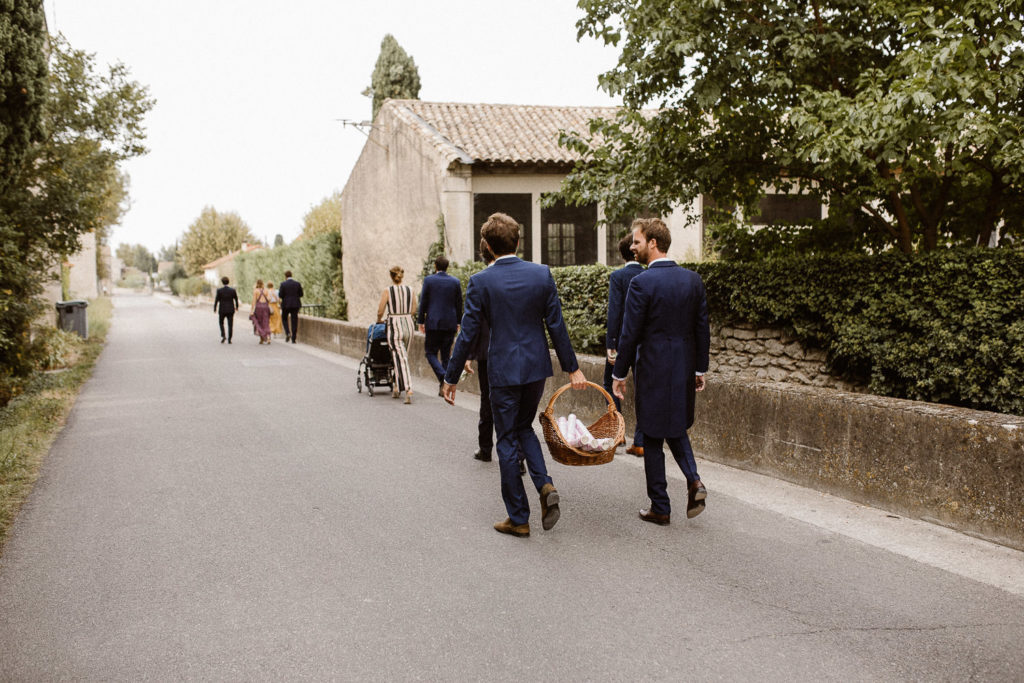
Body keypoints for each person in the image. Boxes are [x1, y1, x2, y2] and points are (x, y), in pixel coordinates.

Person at [443, 212, 586, 538]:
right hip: (536, 368)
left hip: (503, 371)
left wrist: (450, 377)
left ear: (488, 248)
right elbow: (556, 325)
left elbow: (467, 334)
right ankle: (544, 483)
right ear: (518, 242)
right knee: (524, 427)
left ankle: (518, 517)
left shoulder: (481, 281)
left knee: (506, 437)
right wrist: (572, 367)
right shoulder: (541, 274)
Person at [612, 218, 710, 525]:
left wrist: (618, 373)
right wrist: (700, 368)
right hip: (683, 365)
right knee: (676, 426)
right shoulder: (692, 280)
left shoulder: (641, 283)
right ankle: (694, 481)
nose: (632, 246)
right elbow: (701, 328)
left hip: (653, 366)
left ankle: (660, 507)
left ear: (653, 243)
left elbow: (629, 334)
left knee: (652, 434)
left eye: (637, 241)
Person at [462, 240, 528, 477]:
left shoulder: (480, 281)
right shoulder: (519, 278)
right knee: (515, 405)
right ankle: (517, 456)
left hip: (486, 352)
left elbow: (472, 326)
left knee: (488, 401)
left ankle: (486, 447)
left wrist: (467, 355)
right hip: (514, 352)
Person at [605, 225, 647, 456]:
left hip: (621, 341)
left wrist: (611, 344)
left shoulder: (618, 276)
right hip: (644, 343)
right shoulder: (648, 274)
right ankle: (640, 441)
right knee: (642, 389)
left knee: (608, 384)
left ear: (622, 254)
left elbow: (615, 311)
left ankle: (618, 432)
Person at [418, 256, 463, 396]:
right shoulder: (455, 282)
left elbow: (423, 301)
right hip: (449, 323)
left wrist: (420, 321)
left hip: (433, 322)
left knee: (430, 352)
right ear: (447, 267)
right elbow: (459, 303)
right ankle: (443, 387)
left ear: (435, 266)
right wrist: (458, 322)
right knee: (445, 355)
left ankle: (443, 376)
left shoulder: (429, 281)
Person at [377, 265, 417, 404]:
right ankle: (396, 387)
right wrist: (406, 316)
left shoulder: (387, 291)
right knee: (403, 357)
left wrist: (379, 320)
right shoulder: (411, 290)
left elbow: (380, 310)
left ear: (391, 276)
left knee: (400, 358)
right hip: (408, 325)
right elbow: (414, 309)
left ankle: (408, 388)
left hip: (395, 324)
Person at [278, 270, 304, 343]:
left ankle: (287, 332)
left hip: (286, 304)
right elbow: (301, 294)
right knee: (294, 320)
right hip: (295, 304)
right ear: (291, 275)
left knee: (284, 319)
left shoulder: (283, 284)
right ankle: (294, 338)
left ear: (285, 276)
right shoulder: (297, 284)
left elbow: (280, 295)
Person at [213, 276, 239, 344]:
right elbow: (236, 299)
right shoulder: (232, 290)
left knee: (221, 323)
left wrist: (215, 308)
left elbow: (216, 300)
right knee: (230, 325)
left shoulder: (219, 291)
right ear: (228, 282)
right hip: (230, 309)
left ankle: (223, 335)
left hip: (222, 309)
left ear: (222, 282)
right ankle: (229, 339)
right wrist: (237, 306)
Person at [250, 279, 272, 344]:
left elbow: (254, 301)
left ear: (257, 284)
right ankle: (268, 337)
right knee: (266, 322)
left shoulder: (255, 291)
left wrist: (251, 310)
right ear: (263, 284)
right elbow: (269, 299)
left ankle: (262, 339)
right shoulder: (266, 290)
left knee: (259, 323)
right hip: (265, 307)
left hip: (258, 307)